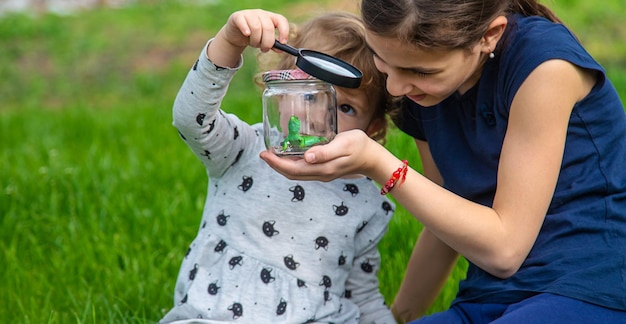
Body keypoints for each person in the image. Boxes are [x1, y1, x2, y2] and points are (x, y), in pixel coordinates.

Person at [260, 0, 626, 322]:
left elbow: (504, 250)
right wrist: (398, 319)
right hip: (487, 299)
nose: (394, 90)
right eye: (382, 61)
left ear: (489, 36)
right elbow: (445, 221)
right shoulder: (422, 94)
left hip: (588, 290)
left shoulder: (544, 67)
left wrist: (379, 164)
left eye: (420, 72)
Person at [160, 9, 397, 324]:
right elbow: (191, 121)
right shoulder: (243, 148)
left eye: (345, 107)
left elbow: (363, 296)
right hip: (216, 313)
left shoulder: (369, 201)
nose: (317, 117)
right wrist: (229, 43)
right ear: (281, 91)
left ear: (373, 129)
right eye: (309, 96)